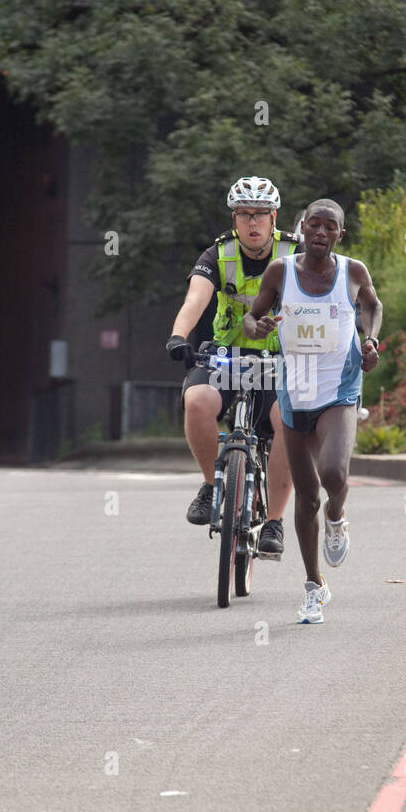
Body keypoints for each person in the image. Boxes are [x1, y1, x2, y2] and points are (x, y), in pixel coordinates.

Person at [243, 199, 382, 623]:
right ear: (302, 228)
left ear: (340, 234)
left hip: (339, 386)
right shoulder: (280, 272)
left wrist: (370, 339)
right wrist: (260, 327)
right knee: (305, 498)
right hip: (294, 390)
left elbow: (372, 306)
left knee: (334, 476)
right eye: (314, 225)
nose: (321, 232)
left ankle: (337, 515)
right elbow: (252, 318)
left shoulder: (353, 271)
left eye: (330, 227)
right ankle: (314, 586)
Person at [166, 176, 299, 556]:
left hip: (280, 358)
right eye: (244, 215)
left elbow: (327, 293)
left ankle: (274, 521)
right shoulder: (217, 255)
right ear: (234, 218)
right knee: (197, 401)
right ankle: (211, 485)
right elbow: (195, 300)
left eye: (260, 215)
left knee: (287, 421)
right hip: (225, 354)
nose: (252, 223)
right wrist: (179, 336)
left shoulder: (296, 252)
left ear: (274, 218)